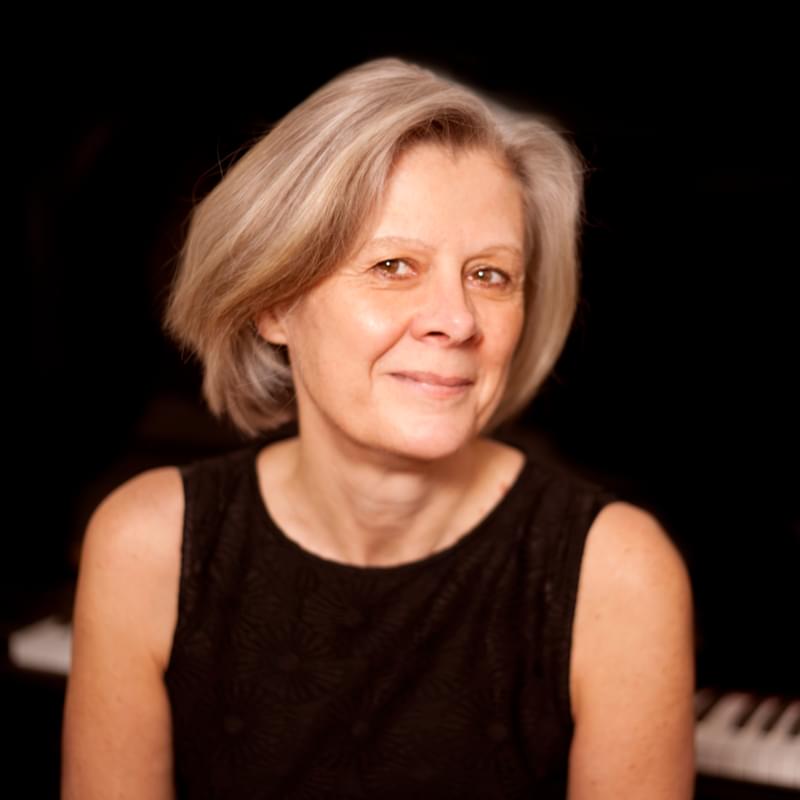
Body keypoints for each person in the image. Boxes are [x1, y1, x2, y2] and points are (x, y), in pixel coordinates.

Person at [61, 57, 695, 799]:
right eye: (394, 265)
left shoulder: (618, 572)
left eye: (489, 274)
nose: (458, 320)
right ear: (274, 302)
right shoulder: (145, 544)